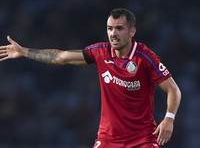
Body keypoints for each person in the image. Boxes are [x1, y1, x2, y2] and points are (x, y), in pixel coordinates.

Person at [0, 8, 181, 148]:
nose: (113, 33)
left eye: (119, 28)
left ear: (132, 31)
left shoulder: (145, 58)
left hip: (142, 139)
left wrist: (169, 118)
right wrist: (24, 52)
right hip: (108, 139)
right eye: (110, 28)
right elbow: (61, 57)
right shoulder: (100, 52)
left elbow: (173, 89)